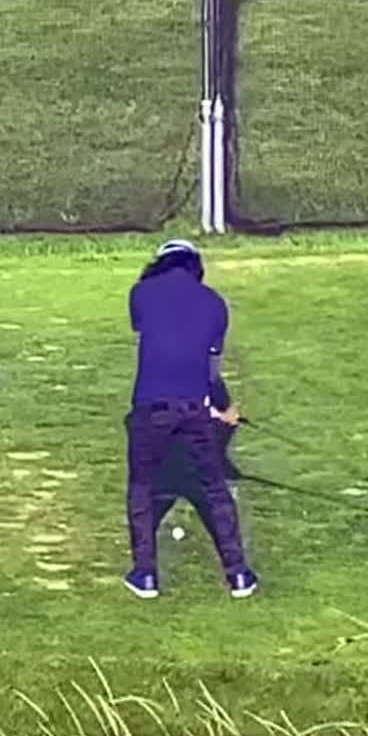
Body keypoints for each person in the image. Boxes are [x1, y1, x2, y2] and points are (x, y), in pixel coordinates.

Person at [124, 239, 258, 599]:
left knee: (142, 487)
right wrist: (222, 410)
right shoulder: (215, 303)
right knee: (214, 490)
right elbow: (210, 372)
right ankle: (239, 576)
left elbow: (157, 339)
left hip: (150, 408)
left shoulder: (141, 293)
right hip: (194, 412)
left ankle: (145, 575)